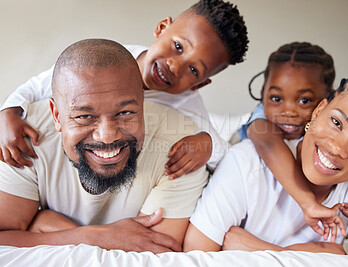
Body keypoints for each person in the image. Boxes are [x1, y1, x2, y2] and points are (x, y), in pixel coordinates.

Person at [0, 39, 209, 253]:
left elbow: (156, 256)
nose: (107, 136)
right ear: (56, 115)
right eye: (84, 116)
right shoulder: (22, 137)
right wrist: (94, 237)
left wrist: (48, 227)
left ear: (142, 101)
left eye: (125, 113)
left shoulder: (182, 151)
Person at [0, 0, 249, 178]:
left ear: (200, 85)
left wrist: (207, 143)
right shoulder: (107, 58)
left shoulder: (188, 106)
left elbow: (228, 158)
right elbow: (37, 86)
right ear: (162, 28)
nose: (175, 66)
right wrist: (8, 112)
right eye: (178, 47)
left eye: (194, 71)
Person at [184, 71, 348, 258]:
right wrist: (326, 255)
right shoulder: (246, 162)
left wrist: (259, 249)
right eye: (336, 122)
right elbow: (195, 255)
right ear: (318, 111)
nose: (337, 149)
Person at [236, 42, 348, 224]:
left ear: (326, 100)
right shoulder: (261, 120)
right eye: (276, 98)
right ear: (263, 92)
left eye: (304, 100)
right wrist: (308, 204)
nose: (288, 111)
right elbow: (268, 144)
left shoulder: (325, 124)